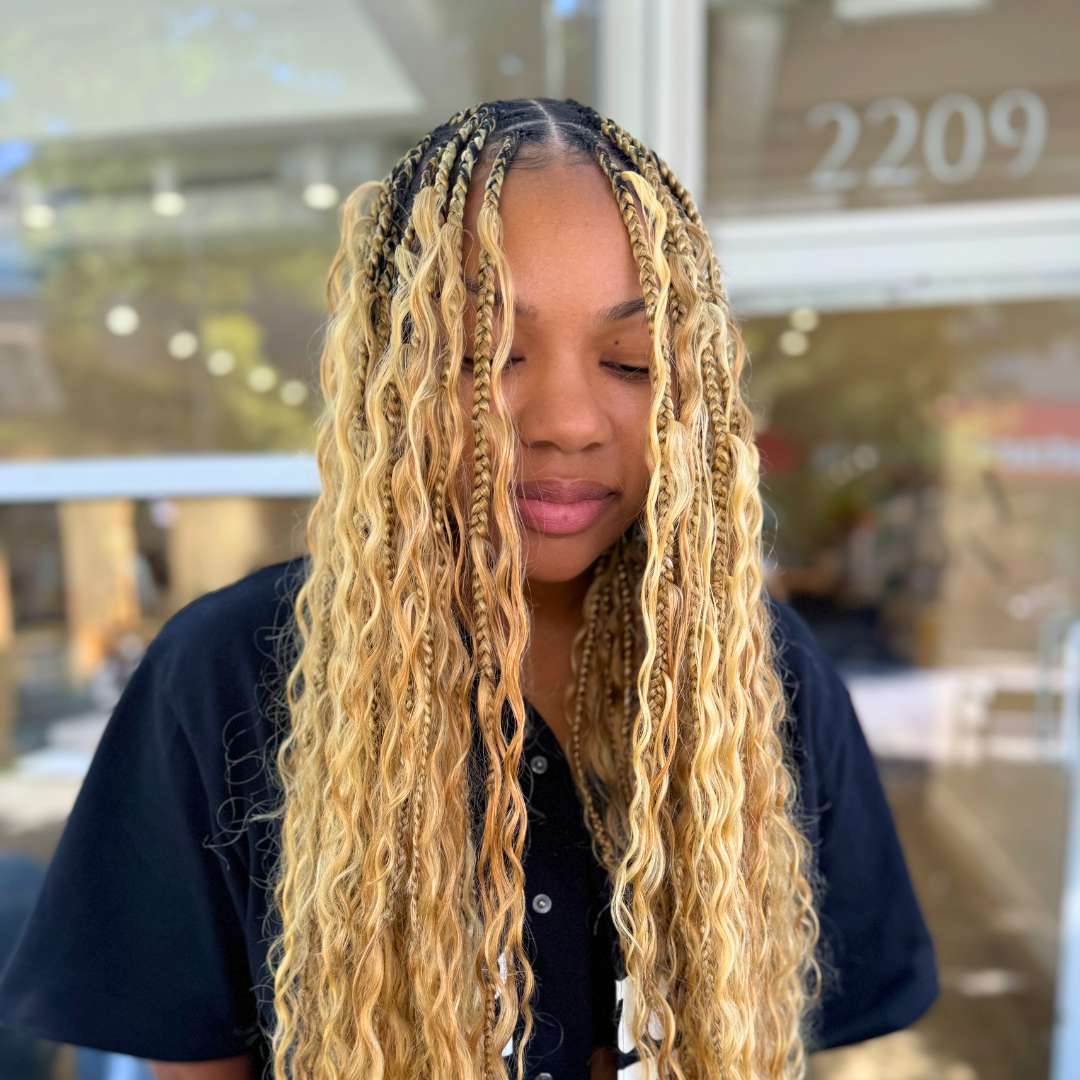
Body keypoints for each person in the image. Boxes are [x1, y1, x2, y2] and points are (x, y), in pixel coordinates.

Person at [0, 98, 939, 1079]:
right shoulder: (228, 677)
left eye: (629, 360)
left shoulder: (760, 673)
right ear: (390, 373)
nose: (568, 421)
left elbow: (815, 1040)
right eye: (482, 353)